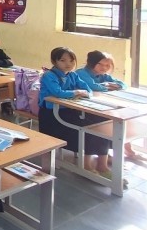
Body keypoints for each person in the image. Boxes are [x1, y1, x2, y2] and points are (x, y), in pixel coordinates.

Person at [38, 47, 111, 175]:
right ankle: (87, 165)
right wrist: (75, 92)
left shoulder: (73, 74)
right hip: (52, 115)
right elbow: (57, 92)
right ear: (54, 61)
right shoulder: (49, 75)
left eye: (71, 61)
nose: (68, 64)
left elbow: (87, 89)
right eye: (63, 60)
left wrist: (85, 93)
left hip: (70, 110)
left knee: (102, 122)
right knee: (90, 128)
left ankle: (102, 163)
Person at [76, 51, 143, 161]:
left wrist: (114, 85)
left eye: (107, 65)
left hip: (100, 105)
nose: (104, 68)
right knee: (110, 121)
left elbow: (122, 84)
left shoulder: (103, 75)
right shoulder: (81, 73)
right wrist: (107, 85)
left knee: (124, 116)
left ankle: (127, 149)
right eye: (101, 64)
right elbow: (93, 86)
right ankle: (104, 153)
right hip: (83, 109)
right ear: (91, 63)